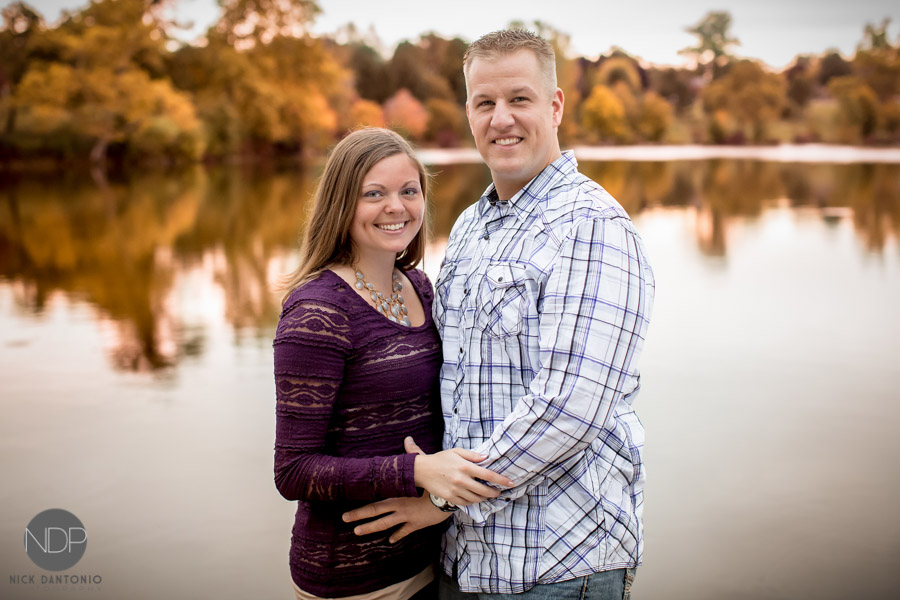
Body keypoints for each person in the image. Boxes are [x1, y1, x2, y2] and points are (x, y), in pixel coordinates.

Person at [344, 31, 656, 599]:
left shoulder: (592, 227)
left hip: (561, 561)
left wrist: (440, 495)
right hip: (466, 558)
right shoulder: (469, 227)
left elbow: (569, 406)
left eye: (519, 99)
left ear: (555, 106)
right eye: (485, 103)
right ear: (468, 112)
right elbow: (450, 375)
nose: (501, 118)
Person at [273, 127, 513, 600]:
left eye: (409, 191)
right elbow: (293, 470)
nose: (396, 207)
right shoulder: (318, 312)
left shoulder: (420, 286)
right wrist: (416, 472)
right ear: (342, 204)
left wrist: (442, 497)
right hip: (353, 576)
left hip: (433, 557)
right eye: (373, 194)